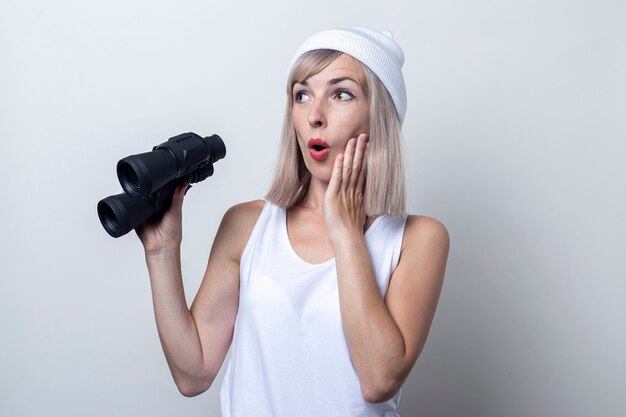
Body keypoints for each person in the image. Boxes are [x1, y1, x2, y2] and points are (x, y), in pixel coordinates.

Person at [137, 27, 450, 417]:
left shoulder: (417, 240)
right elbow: (193, 374)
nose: (315, 116)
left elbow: (378, 379)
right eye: (302, 94)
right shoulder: (246, 224)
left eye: (341, 94)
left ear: (381, 116)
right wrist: (161, 249)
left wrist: (346, 233)